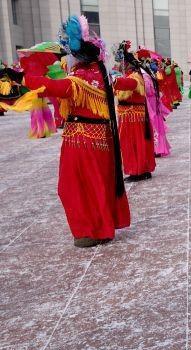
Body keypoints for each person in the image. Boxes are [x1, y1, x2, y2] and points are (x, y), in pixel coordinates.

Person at [21, 16, 130, 247]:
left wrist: (25, 76)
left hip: (82, 140)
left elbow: (54, 87)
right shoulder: (100, 73)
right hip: (99, 138)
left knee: (74, 186)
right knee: (97, 184)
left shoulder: (81, 76)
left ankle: (91, 230)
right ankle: (101, 227)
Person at [112, 41, 156, 182]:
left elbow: (130, 85)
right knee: (134, 143)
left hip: (133, 116)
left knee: (134, 143)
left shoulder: (135, 76)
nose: (119, 66)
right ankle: (141, 169)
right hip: (130, 115)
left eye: (122, 63)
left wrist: (114, 81)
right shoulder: (130, 75)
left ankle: (138, 170)